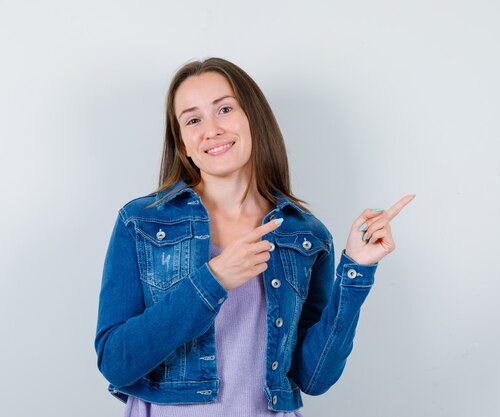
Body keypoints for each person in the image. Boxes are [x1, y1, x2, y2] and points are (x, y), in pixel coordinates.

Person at [94, 57, 414, 416]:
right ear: (183, 143)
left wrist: (355, 271)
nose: (211, 129)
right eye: (193, 120)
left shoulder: (305, 235)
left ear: (253, 120)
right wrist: (214, 281)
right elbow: (116, 361)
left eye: (225, 109)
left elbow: (313, 379)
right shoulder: (142, 222)